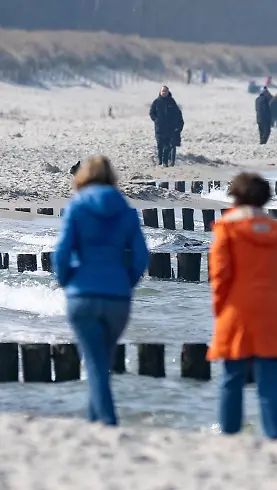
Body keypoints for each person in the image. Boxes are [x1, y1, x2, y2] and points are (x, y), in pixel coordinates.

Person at [52, 156, 149, 427]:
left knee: (95, 363)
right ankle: (96, 421)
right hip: (117, 297)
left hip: (82, 296)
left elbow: (61, 254)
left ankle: (106, 421)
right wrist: (126, 283)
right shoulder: (127, 211)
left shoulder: (77, 207)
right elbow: (141, 256)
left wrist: (68, 281)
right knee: (101, 361)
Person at [207, 173, 277, 440]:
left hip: (235, 309)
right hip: (270, 308)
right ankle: (276, 436)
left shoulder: (226, 228)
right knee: (270, 380)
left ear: (234, 196)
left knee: (232, 377)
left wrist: (220, 309)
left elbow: (220, 275)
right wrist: (275, 299)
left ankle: (230, 434)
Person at [149, 85, 184, 167]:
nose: (164, 92)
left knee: (167, 146)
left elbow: (177, 114)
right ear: (160, 92)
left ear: (168, 92)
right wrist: (156, 120)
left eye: (165, 91)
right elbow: (151, 113)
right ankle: (160, 160)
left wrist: (176, 125)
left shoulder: (172, 102)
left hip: (169, 128)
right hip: (159, 128)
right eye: (162, 91)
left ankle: (165, 162)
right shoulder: (156, 102)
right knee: (159, 145)